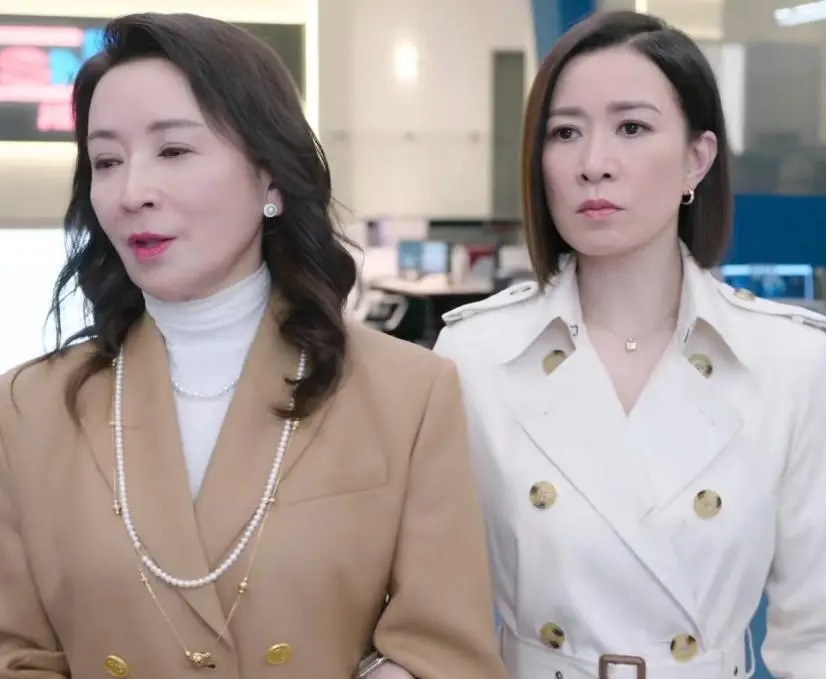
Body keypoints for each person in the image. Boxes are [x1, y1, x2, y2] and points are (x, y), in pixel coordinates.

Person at [0, 13, 507, 679]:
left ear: (270, 178)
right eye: (107, 162)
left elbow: (446, 654)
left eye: (173, 151)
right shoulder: (28, 408)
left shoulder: (408, 393)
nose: (132, 193)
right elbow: (17, 653)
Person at [435, 10, 826, 679]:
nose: (594, 165)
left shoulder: (788, 363)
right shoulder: (474, 356)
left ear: (697, 159)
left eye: (632, 128)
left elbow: (815, 635)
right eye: (565, 133)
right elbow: (438, 613)